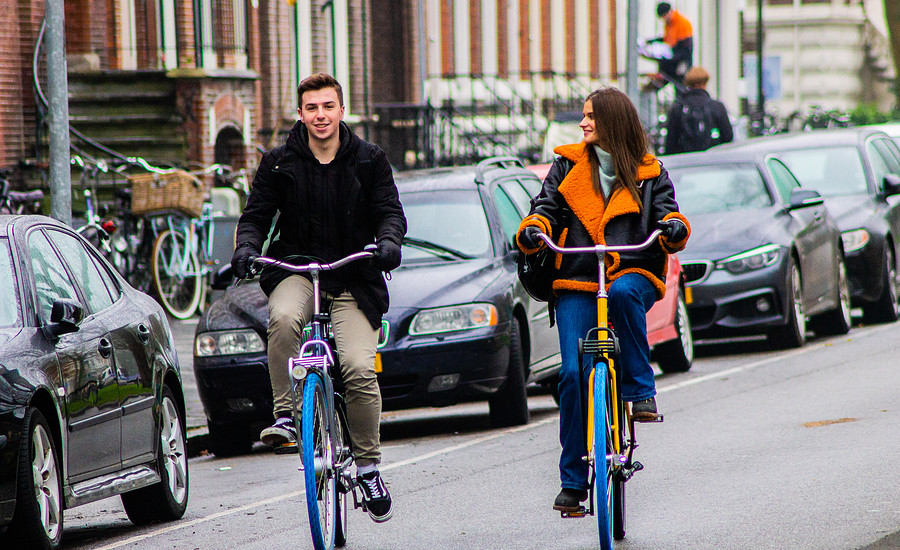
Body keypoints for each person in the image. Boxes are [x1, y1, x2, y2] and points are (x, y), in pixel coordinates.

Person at [230, 73, 406, 523]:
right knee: (283, 318)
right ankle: (286, 417)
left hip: (354, 276)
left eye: (328, 106)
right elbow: (255, 216)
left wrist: (388, 243)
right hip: (297, 268)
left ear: (342, 110)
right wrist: (246, 248)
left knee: (359, 368)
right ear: (301, 114)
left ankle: (368, 468)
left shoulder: (369, 159)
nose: (320, 115)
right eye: (312, 108)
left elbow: (389, 212)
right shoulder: (278, 162)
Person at [515, 87, 690, 513]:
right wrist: (535, 227)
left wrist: (672, 227)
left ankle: (640, 391)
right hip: (576, 276)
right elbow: (547, 206)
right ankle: (573, 483)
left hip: (632, 268)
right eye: (584, 115)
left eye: (591, 116)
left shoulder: (650, 171)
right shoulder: (566, 165)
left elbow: (668, 212)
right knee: (572, 374)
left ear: (613, 121)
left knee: (627, 293)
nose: (583, 123)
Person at [664, 66, 734, 154]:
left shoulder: (677, 108)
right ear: (705, 83)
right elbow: (728, 137)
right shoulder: (717, 107)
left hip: (685, 159)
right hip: (712, 159)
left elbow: (670, 143)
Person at [655, 2, 693, 86]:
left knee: (680, 85)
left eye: (664, 16)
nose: (663, 19)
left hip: (680, 61)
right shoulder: (669, 24)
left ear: (669, 12)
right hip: (672, 59)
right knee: (660, 80)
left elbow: (686, 49)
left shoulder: (682, 23)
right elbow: (668, 39)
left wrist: (672, 58)